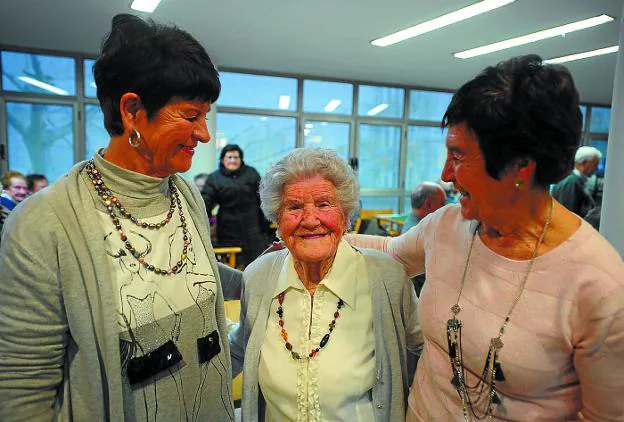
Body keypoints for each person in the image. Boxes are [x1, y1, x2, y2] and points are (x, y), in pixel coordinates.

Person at [347, 55, 624, 421]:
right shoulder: (446, 224)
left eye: (458, 156)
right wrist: (319, 233)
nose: (446, 174)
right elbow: (389, 251)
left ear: (520, 167)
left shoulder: (599, 284)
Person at [0, 14, 241, 421]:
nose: (204, 134)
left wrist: (274, 272)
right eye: (190, 115)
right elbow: (22, 388)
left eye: (206, 116)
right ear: (132, 110)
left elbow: (179, 273)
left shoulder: (185, 195)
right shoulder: (43, 225)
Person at [230, 148, 422, 421]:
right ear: (277, 219)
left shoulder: (386, 276)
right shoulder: (258, 276)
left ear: (345, 217)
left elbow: (424, 350)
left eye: (323, 204)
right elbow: (239, 349)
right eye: (294, 207)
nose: (310, 220)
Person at [202, 144, 269, 267]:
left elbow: (263, 197)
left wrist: (266, 221)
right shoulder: (214, 178)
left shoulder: (251, 173)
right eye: (229, 157)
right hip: (228, 229)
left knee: (257, 263)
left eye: (236, 157)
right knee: (232, 266)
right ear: (223, 159)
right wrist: (203, 222)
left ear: (241, 159)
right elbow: (206, 201)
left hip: (253, 227)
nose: (233, 160)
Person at [551, 145, 602, 217]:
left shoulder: (576, 181)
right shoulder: (571, 182)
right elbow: (568, 214)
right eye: (595, 164)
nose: (597, 168)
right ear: (584, 163)